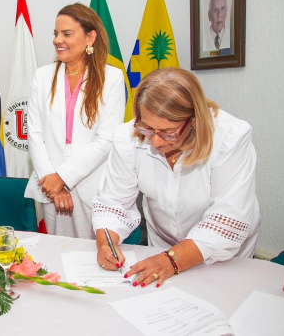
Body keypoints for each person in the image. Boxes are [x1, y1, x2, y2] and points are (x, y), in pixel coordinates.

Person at [93, 67, 260, 287]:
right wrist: (106, 244)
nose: (156, 142)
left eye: (168, 132)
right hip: (161, 248)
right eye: (148, 129)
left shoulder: (230, 137)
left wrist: (172, 260)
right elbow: (113, 202)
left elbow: (227, 219)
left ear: (193, 120)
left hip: (221, 255)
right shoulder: (128, 137)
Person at [25, 3, 125, 239]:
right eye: (55, 33)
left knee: (96, 258)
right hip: (50, 186)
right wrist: (54, 183)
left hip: (93, 186)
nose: (57, 40)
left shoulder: (112, 78)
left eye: (67, 34)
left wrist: (63, 178)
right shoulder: (42, 76)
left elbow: (106, 140)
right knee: (57, 256)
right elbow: (35, 134)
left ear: (90, 37)